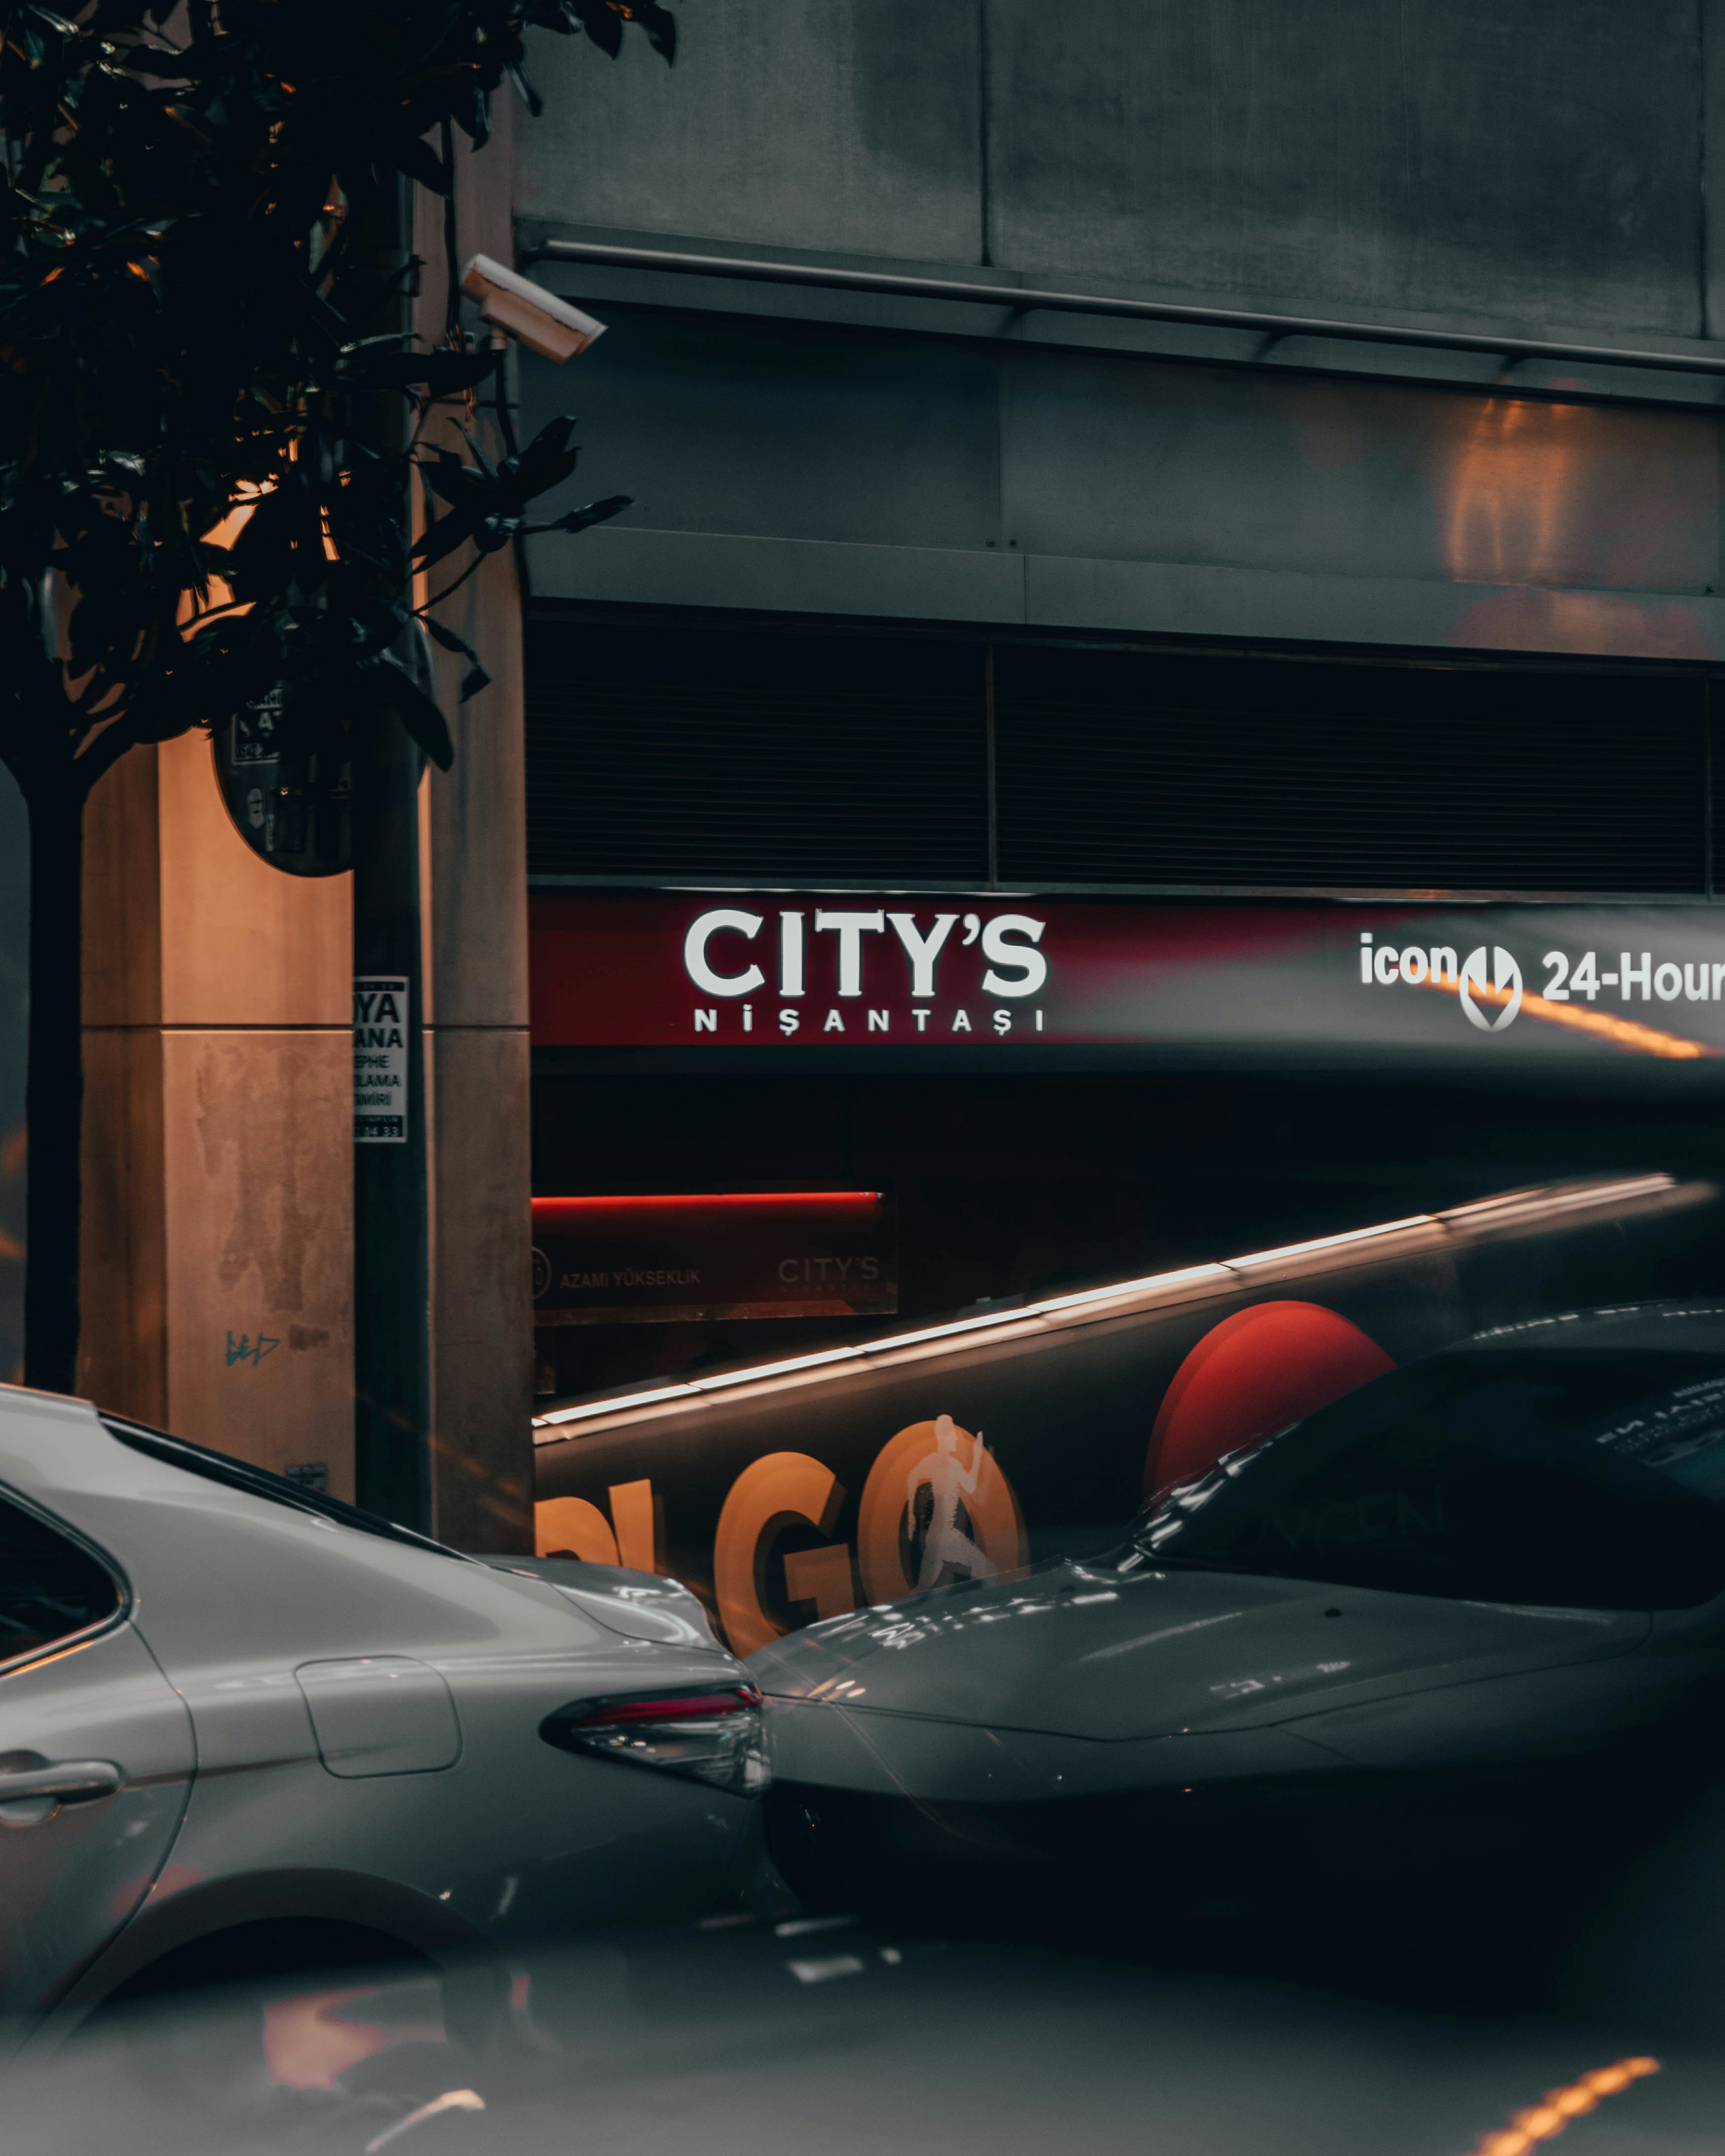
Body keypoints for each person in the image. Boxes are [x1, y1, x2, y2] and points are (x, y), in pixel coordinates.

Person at [907, 1414, 996, 1592]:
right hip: (944, 1537)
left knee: (925, 1590)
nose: (956, 1438)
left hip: (940, 1536)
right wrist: (912, 1517)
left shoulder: (945, 1463)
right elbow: (913, 1476)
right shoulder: (945, 1463)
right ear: (944, 1437)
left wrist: (977, 1456)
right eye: (953, 1434)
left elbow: (969, 1487)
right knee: (988, 1571)